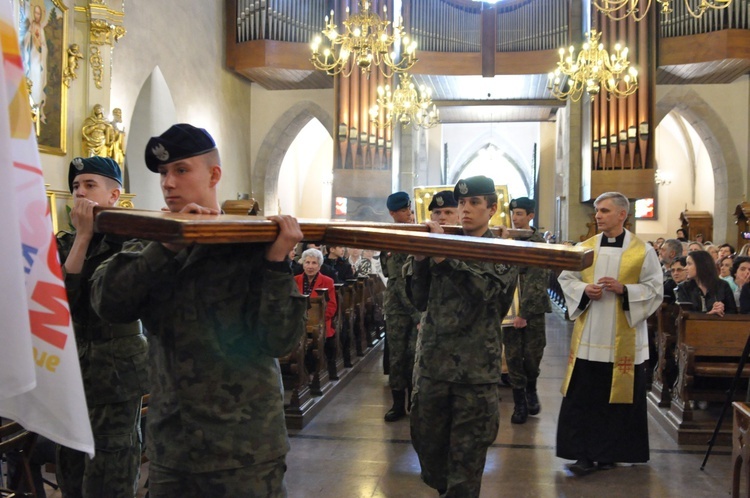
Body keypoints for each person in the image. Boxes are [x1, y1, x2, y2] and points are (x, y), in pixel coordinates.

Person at [91, 124, 307, 497]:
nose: (168, 183)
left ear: (214, 174)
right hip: (173, 446)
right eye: (162, 173)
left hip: (245, 447)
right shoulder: (151, 242)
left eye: (181, 170)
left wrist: (276, 263)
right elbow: (109, 304)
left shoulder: (250, 243)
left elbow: (279, 340)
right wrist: (167, 246)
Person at [409, 175, 518, 496]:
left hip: (474, 371)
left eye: (474, 203)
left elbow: (484, 294)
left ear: (492, 209)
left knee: (467, 458)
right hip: (433, 366)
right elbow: (419, 299)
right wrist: (419, 260)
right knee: (428, 446)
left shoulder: (503, 252)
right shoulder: (440, 246)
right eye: (462, 203)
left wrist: (443, 257)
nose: (465, 209)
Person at [56, 156, 149, 497]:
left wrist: (86, 237)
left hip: (116, 366)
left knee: (112, 459)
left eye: (90, 185)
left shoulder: (131, 242)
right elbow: (60, 304)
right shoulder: (64, 242)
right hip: (71, 363)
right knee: (70, 457)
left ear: (114, 196)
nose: (80, 193)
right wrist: (81, 238)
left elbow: (101, 300)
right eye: (76, 186)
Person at [557, 192, 663, 476]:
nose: (598, 216)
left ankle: (611, 454)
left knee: (616, 400)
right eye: (596, 211)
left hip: (623, 343)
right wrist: (584, 290)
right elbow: (566, 278)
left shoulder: (643, 251)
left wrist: (624, 290)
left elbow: (655, 290)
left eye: (604, 211)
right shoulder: (585, 248)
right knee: (584, 398)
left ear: (622, 215)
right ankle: (582, 454)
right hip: (590, 339)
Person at [503, 196, 551, 424]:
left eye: (520, 213)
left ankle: (531, 387)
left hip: (532, 309)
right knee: (512, 356)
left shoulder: (537, 241)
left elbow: (537, 280)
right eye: (513, 213)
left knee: (532, 355)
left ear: (531, 216)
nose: (515, 217)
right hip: (508, 307)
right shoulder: (505, 239)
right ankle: (519, 403)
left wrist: (525, 313)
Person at [381, 191, 421, 422]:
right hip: (399, 308)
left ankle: (414, 403)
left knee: (415, 356)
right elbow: (395, 280)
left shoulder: (416, 234)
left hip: (417, 306)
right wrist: (415, 314)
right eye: (404, 210)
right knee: (398, 357)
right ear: (393, 213)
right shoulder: (393, 237)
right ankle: (398, 404)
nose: (409, 214)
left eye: (409, 209)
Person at [295, 248, 339, 380]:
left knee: (320, 340)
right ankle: (301, 374)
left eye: (314, 263)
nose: (310, 266)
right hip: (298, 322)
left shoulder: (327, 281)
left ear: (319, 265)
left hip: (320, 323)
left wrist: (315, 320)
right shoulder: (295, 280)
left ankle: (320, 373)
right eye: (307, 262)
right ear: (303, 264)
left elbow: (332, 307)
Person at [676, 250, 737, 315]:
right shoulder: (683, 288)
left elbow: (733, 313)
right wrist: (709, 314)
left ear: (701, 265)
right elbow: (684, 315)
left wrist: (721, 310)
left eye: (689, 264)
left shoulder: (723, 285)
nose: (685, 268)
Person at [21, 0, 48, 123]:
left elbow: (44, 46)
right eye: (35, 13)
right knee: (30, 79)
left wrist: (41, 47)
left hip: (38, 62)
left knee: (38, 84)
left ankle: (37, 109)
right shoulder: (31, 27)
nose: (37, 16)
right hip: (30, 61)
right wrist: (31, 37)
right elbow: (25, 43)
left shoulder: (41, 29)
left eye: (39, 14)